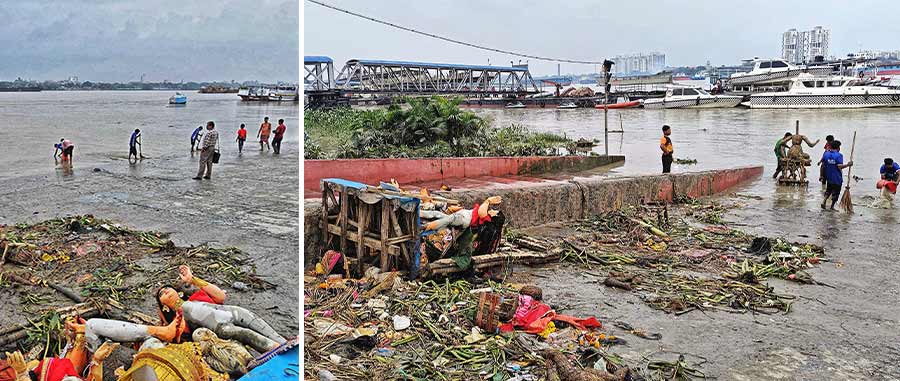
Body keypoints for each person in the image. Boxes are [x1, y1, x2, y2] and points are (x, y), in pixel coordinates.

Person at [155, 265, 286, 353]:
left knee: (255, 320)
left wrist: (192, 279)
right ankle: (276, 349)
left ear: (178, 291)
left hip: (232, 311)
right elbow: (174, 336)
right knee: (245, 333)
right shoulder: (178, 321)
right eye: (161, 294)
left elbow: (220, 296)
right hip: (220, 328)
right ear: (164, 306)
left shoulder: (196, 297)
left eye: (167, 288)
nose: (165, 291)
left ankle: (285, 343)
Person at [821, 140, 853, 210]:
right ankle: (832, 206)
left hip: (828, 176)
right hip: (837, 178)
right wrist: (848, 165)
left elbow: (823, 164)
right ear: (838, 147)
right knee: (836, 192)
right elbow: (839, 166)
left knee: (828, 190)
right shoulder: (839, 155)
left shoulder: (826, 154)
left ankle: (824, 201)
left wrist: (822, 175)